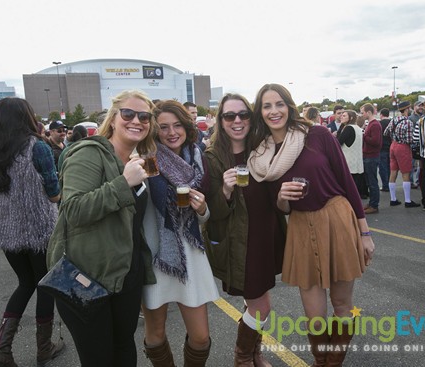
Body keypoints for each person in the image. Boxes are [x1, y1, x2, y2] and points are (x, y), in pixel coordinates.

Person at [247, 84, 374, 367]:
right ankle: (320, 359)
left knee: (342, 304)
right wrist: (281, 197)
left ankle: (330, 364)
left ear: (289, 106)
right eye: (266, 106)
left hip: (337, 218)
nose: (274, 111)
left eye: (279, 104)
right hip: (301, 226)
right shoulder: (261, 156)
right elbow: (279, 208)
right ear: (260, 112)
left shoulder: (315, 135)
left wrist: (365, 232)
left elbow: (346, 181)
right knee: (314, 314)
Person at [47, 90, 157, 366]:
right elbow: (72, 210)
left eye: (144, 116)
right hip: (89, 275)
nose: (137, 121)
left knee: (123, 350)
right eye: (128, 114)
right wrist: (123, 183)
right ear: (114, 117)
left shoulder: (134, 160)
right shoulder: (89, 153)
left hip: (126, 274)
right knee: (98, 358)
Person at [0, 97, 64, 367]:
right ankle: (44, 347)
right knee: (45, 285)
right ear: (27, 116)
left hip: (6, 232)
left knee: (25, 283)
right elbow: (53, 195)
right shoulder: (37, 147)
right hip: (39, 230)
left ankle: (0, 351)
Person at [204, 93, 286, 366]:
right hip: (242, 240)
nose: (237, 120)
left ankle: (255, 352)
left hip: (267, 232)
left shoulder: (262, 147)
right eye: (230, 116)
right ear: (221, 121)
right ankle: (242, 357)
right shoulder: (212, 157)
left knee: (256, 303)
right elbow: (212, 213)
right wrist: (226, 190)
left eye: (243, 114)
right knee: (262, 306)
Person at [142, 99, 218, 366]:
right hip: (155, 254)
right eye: (163, 127)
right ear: (154, 130)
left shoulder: (197, 157)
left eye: (177, 125)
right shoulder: (146, 159)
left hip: (191, 255)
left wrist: (203, 209)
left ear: (187, 126)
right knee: (155, 334)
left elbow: (204, 218)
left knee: (201, 337)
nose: (171, 132)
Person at [383, 101, 420, 208]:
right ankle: (408, 200)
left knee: (393, 171)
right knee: (406, 173)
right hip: (403, 147)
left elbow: (386, 133)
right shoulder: (408, 122)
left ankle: (393, 198)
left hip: (393, 145)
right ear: (407, 109)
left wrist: (395, 136)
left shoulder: (394, 120)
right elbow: (410, 140)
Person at [337, 110, 367, 198]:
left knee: (349, 190)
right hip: (357, 162)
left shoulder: (348, 128)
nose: (341, 117)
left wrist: (341, 127)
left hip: (348, 162)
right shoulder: (358, 128)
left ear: (351, 118)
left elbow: (338, 142)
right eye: (341, 115)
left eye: (344, 116)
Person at [360, 103, 382, 214]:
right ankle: (371, 203)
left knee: (372, 182)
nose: (362, 114)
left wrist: (363, 135)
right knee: (369, 182)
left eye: (363, 112)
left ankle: (374, 205)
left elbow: (375, 141)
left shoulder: (374, 125)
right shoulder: (371, 124)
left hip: (372, 156)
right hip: (368, 156)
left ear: (368, 112)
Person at [378, 108, 392, 192]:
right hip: (391, 147)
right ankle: (390, 184)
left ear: (381, 115)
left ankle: (385, 185)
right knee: (390, 167)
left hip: (382, 148)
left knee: (383, 168)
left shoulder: (379, 124)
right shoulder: (392, 122)